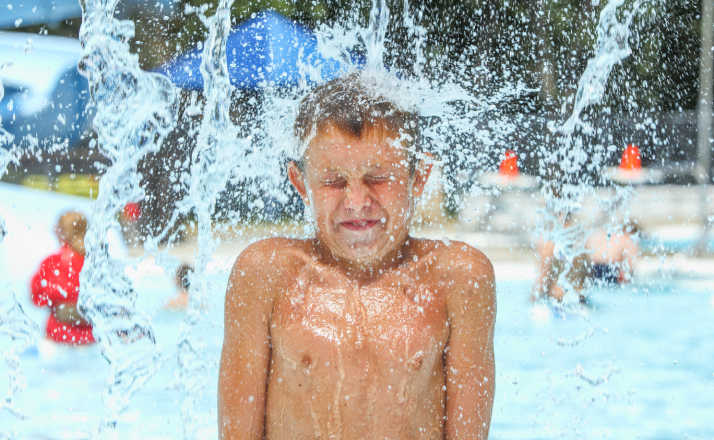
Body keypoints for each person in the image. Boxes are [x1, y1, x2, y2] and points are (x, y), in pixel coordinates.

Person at [218, 73, 496, 439]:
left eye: (378, 177)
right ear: (301, 184)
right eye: (333, 182)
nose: (357, 201)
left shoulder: (458, 280)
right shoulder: (266, 275)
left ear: (419, 177)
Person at [30, 211, 95, 345]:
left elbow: (36, 298)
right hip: (93, 340)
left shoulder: (52, 263)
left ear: (60, 232)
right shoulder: (97, 264)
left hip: (58, 338)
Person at [532, 213, 589, 303]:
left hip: (557, 298)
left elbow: (543, 276)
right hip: (579, 297)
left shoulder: (550, 241)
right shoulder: (580, 237)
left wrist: (534, 298)